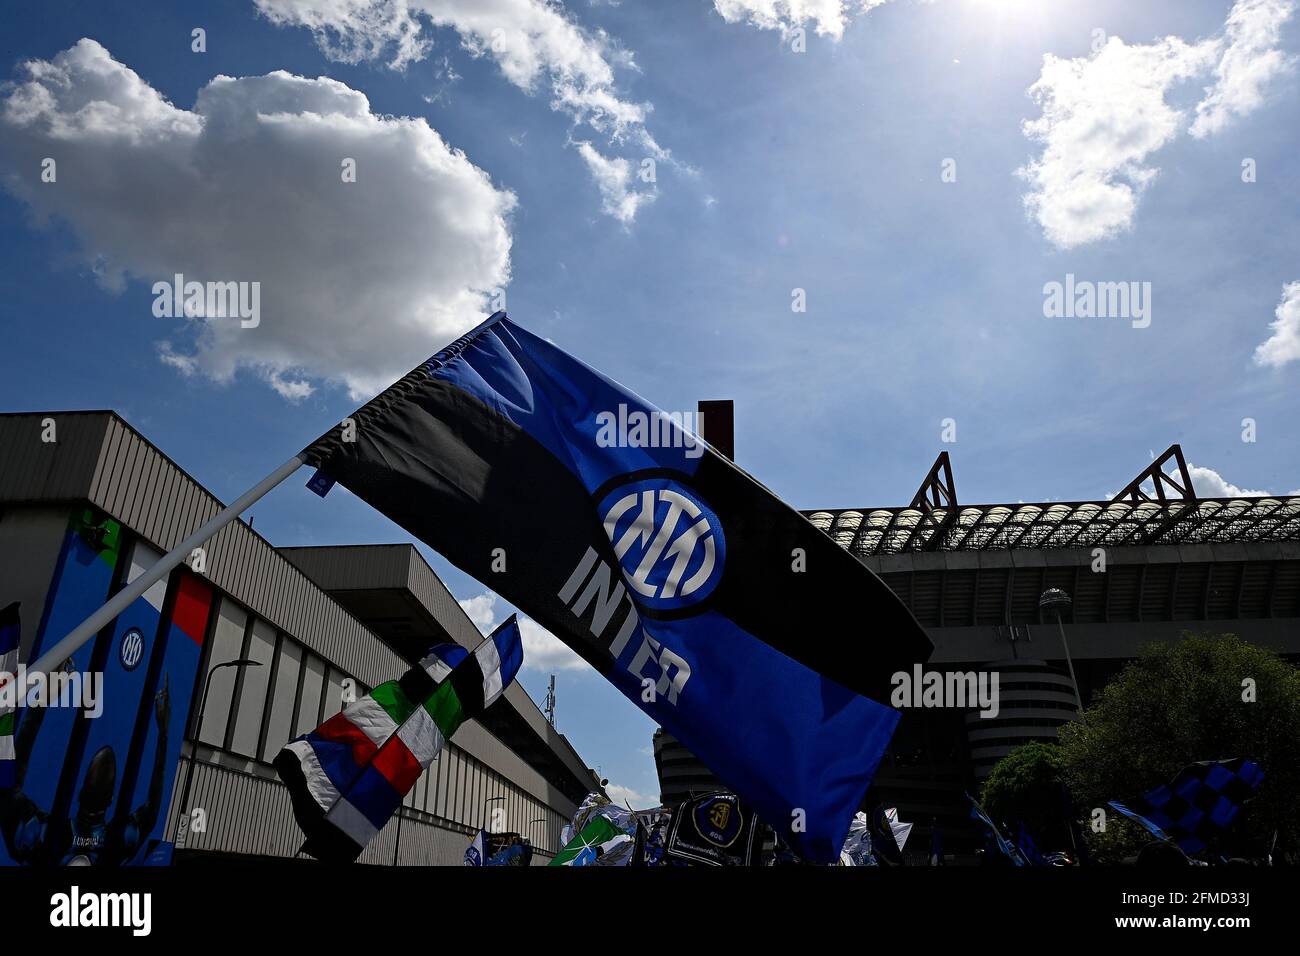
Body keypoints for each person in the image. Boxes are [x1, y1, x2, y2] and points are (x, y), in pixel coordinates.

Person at [0, 665, 170, 866]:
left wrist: (41, 701)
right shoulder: (118, 842)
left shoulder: (44, 832)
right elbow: (152, 810)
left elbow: (8, 787)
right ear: (111, 799)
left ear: (79, 794)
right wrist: (163, 734)